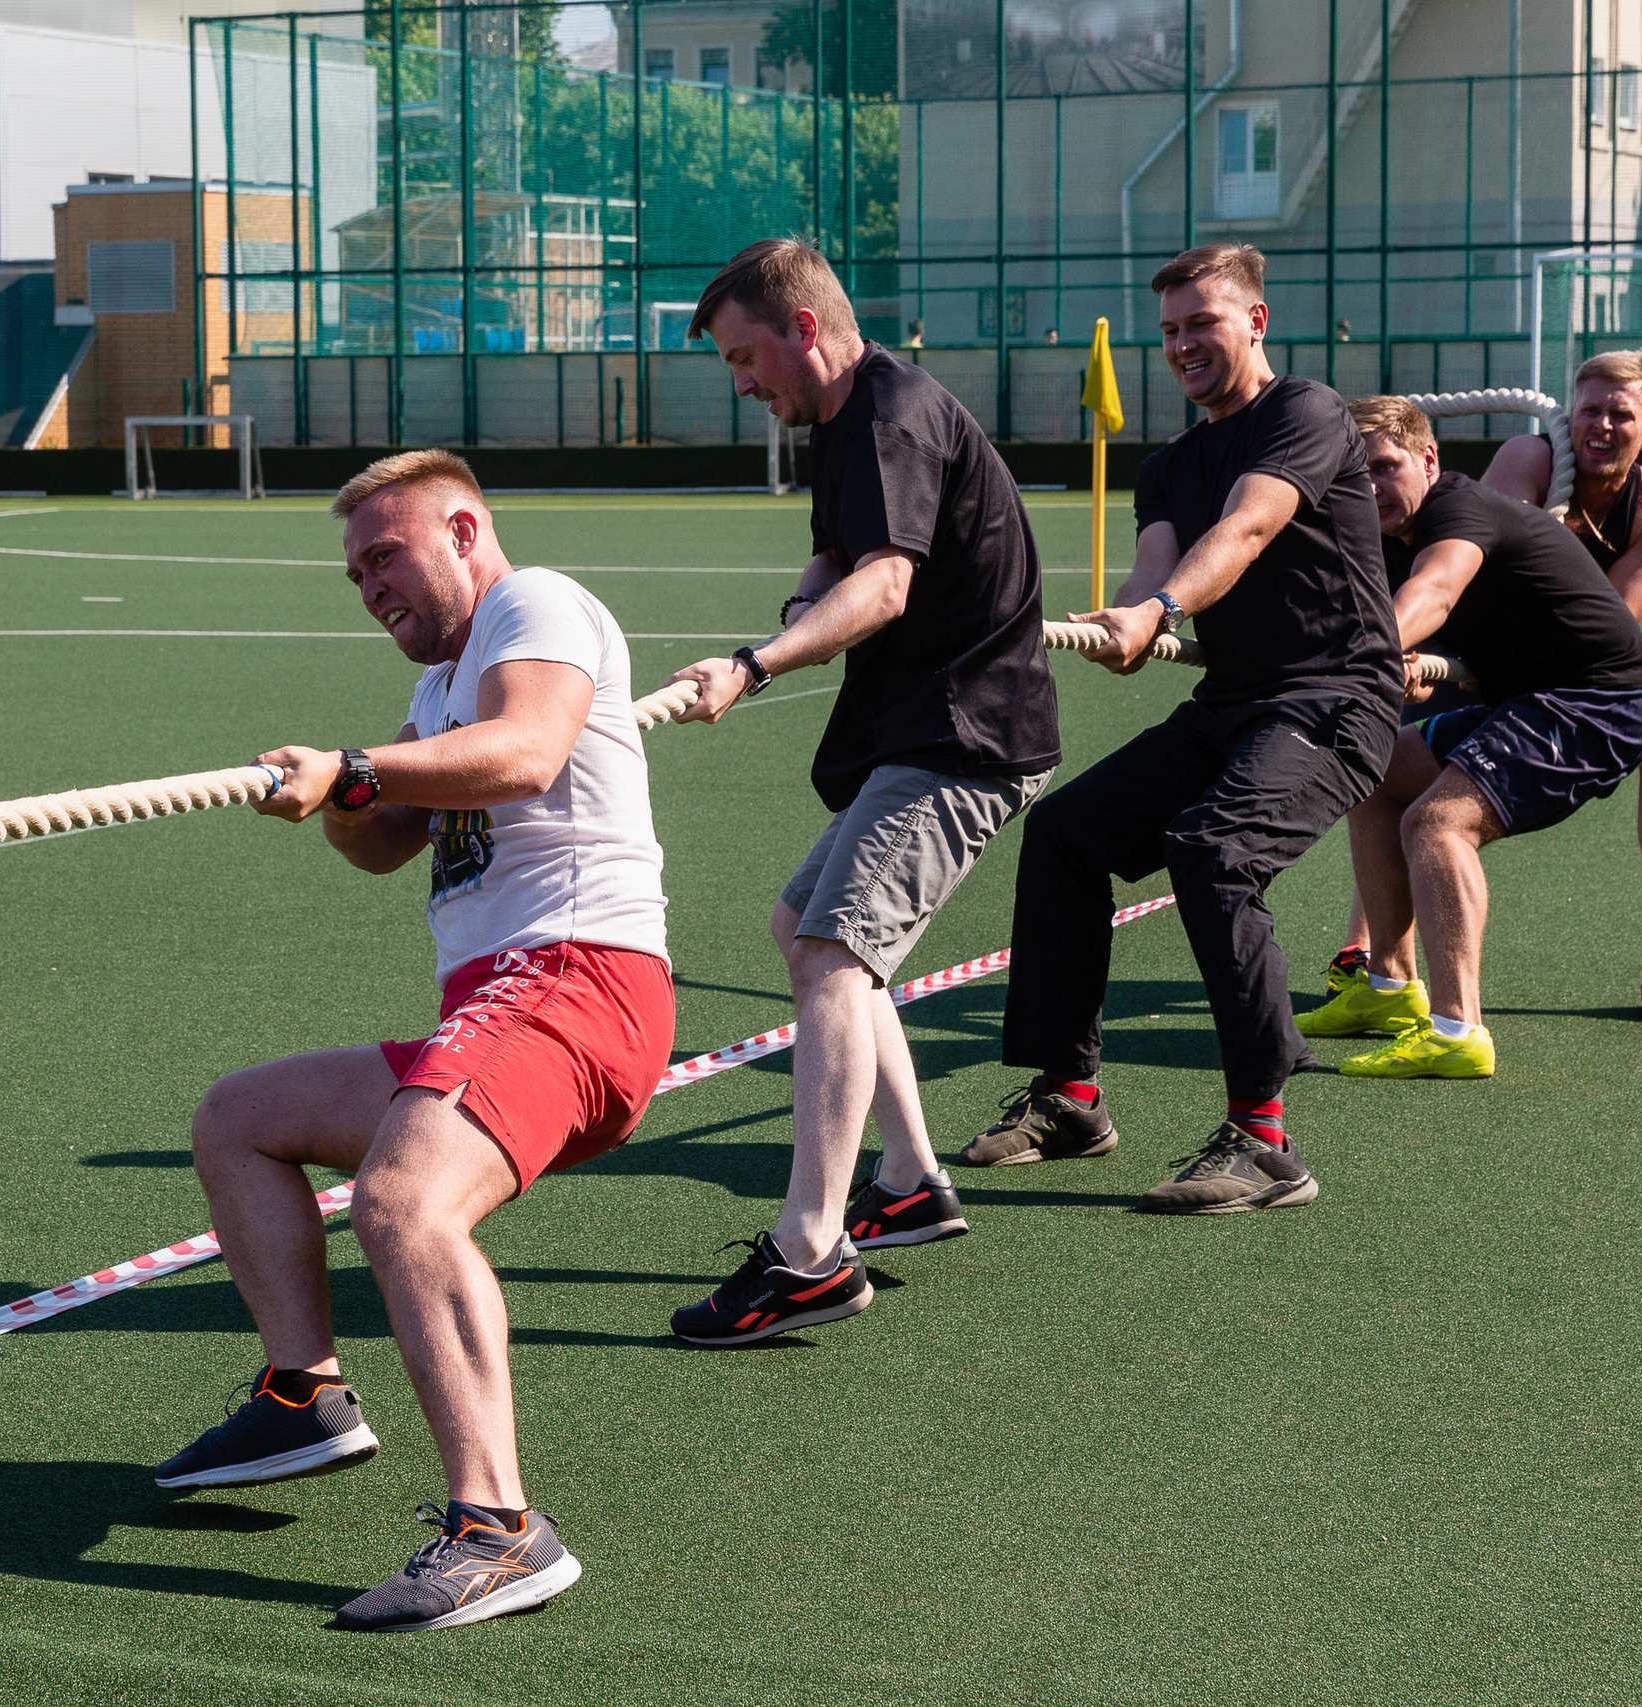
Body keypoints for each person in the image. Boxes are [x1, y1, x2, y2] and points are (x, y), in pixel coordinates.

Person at [152, 450, 674, 1633]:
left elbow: (529, 754)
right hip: (499, 1005)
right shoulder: (440, 692)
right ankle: (303, 1399)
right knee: (239, 1119)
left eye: (385, 555)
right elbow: (380, 842)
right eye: (354, 575)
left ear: (463, 528)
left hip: (575, 984)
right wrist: (342, 789)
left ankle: (500, 1531)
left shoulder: (532, 605)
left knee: (401, 1203)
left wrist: (358, 770)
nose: (370, 585)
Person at [661, 238, 1058, 1345]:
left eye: (746, 358)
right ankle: (908, 1181)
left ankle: (810, 1250)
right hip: (918, 733)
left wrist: (753, 665)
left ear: (804, 329)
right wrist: (794, 613)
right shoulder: (844, 426)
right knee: (803, 927)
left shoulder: (887, 414)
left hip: (965, 738)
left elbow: (884, 585)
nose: (743, 384)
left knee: (835, 956)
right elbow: (840, 562)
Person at [960, 242, 1399, 1212]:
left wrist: (1158, 608)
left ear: (1255, 321)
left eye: (1201, 322)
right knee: (1066, 834)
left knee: (1213, 851)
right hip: (1233, 705)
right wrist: (1121, 621)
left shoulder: (1306, 414)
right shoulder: (1168, 466)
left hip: (1335, 701)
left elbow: (1244, 529)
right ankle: (1069, 1097)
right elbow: (1154, 565)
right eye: (1167, 331)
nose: (1181, 345)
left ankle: (1266, 1141)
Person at [1305, 397, 1642, 1077]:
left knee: (1437, 823)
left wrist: (1380, 647)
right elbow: (1400, 617)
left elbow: (1435, 593)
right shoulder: (1384, 537)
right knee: (1378, 777)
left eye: (1387, 466)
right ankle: (1387, 986)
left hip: (1598, 704)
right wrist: (1403, 659)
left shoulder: (1456, 509)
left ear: (1430, 460)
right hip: (1530, 700)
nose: (1372, 486)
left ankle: (1457, 1029)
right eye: (1356, 474)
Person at [1481, 349, 1642, 1021]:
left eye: (1622, 414)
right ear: (1569, 413)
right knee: (1396, 731)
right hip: (1481, 653)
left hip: (1575, 670)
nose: (1602, 426)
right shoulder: (1529, 461)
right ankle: (1366, 951)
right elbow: (1479, 573)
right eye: (1591, 410)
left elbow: (1600, 631)